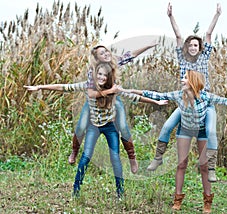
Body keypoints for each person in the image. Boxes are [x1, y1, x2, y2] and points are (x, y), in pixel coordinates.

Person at [124, 70, 227, 212]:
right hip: (185, 130)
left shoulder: (206, 97)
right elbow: (155, 95)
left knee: (204, 166)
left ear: (193, 81)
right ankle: (177, 199)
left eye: (185, 78)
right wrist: (131, 90)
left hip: (201, 131)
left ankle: (207, 201)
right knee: (181, 164)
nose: (182, 80)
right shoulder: (178, 95)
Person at [24, 63, 167, 198]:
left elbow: (135, 97)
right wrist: (40, 87)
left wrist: (156, 102)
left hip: (110, 127)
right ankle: (76, 190)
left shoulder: (114, 90)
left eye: (105, 76)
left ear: (108, 78)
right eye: (99, 74)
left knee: (115, 158)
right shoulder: (88, 86)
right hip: (94, 126)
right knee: (86, 157)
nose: (101, 78)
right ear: (95, 75)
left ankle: (120, 192)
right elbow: (64, 87)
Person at [147, 3, 222, 183]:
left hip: (204, 102)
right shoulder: (182, 59)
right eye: (190, 45)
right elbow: (178, 35)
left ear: (200, 47)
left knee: (211, 132)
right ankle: (158, 158)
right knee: (166, 127)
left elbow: (209, 34)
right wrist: (170, 17)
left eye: (196, 45)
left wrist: (217, 15)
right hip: (186, 101)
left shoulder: (204, 58)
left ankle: (211, 168)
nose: (192, 47)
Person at [70, 42, 158, 175]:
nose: (106, 54)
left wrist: (149, 46)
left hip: (113, 99)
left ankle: (132, 157)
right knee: (81, 125)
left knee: (123, 126)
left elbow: (132, 54)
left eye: (106, 51)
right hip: (95, 101)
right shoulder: (93, 71)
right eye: (102, 54)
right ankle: (74, 151)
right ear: (97, 58)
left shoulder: (114, 62)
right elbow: (91, 94)